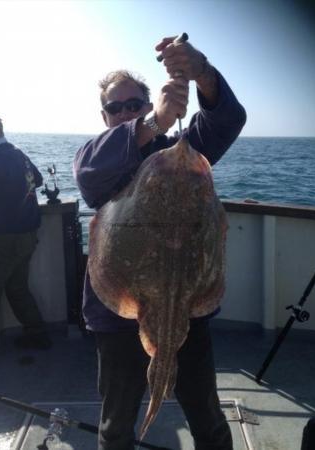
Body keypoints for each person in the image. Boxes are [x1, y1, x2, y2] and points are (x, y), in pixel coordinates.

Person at [74, 36, 246, 450]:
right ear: (105, 116)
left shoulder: (180, 154)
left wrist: (201, 71)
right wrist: (154, 122)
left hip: (187, 308)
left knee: (206, 414)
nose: (127, 112)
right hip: (120, 311)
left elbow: (227, 120)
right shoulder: (101, 156)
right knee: (116, 423)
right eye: (118, 108)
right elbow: (87, 174)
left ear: (149, 101)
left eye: (137, 104)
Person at [0, 111, 52, 355]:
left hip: (2, 238)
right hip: (27, 234)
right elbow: (36, 179)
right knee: (17, 288)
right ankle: (37, 334)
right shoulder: (18, 154)